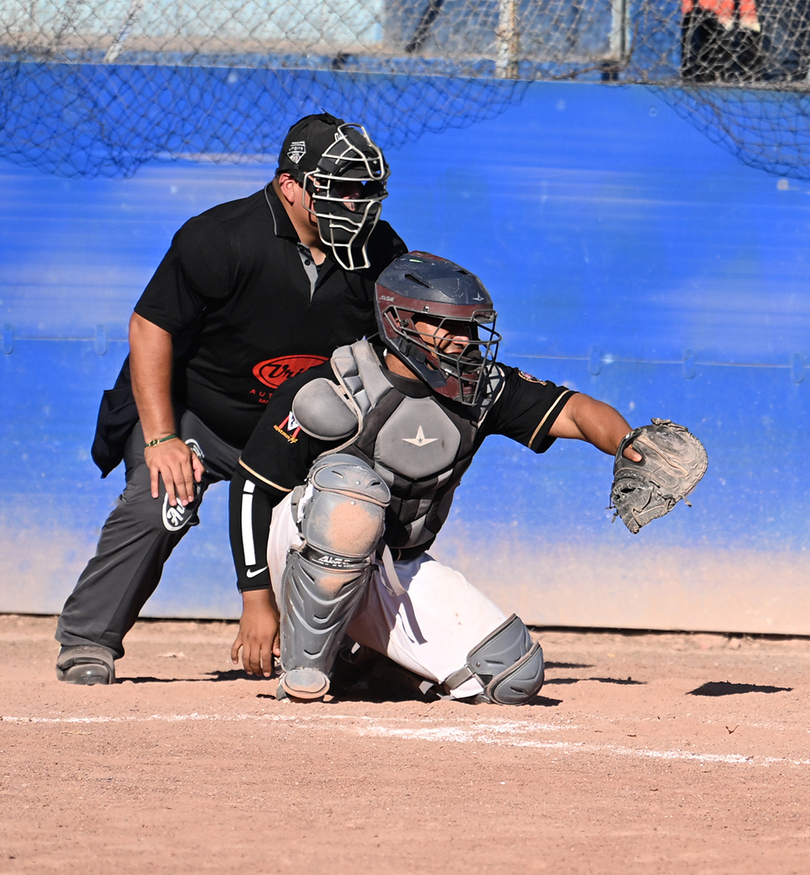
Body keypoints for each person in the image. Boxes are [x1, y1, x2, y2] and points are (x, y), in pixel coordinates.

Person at [234, 251, 687, 704]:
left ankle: (366, 660)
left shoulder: (481, 389)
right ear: (399, 320)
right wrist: (256, 601)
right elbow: (253, 488)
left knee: (510, 674)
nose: (463, 341)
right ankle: (305, 668)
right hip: (300, 551)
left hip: (394, 566)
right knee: (350, 496)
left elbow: (575, 410)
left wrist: (630, 443)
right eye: (447, 326)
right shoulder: (332, 386)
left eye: (470, 328)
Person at [55, 114, 399, 686]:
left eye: (365, 190)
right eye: (339, 189)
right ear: (291, 186)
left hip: (298, 427)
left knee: (355, 505)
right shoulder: (221, 236)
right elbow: (149, 328)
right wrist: (162, 439)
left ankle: (352, 645)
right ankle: (87, 640)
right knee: (162, 498)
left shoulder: (380, 251)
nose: (357, 205)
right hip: (199, 415)